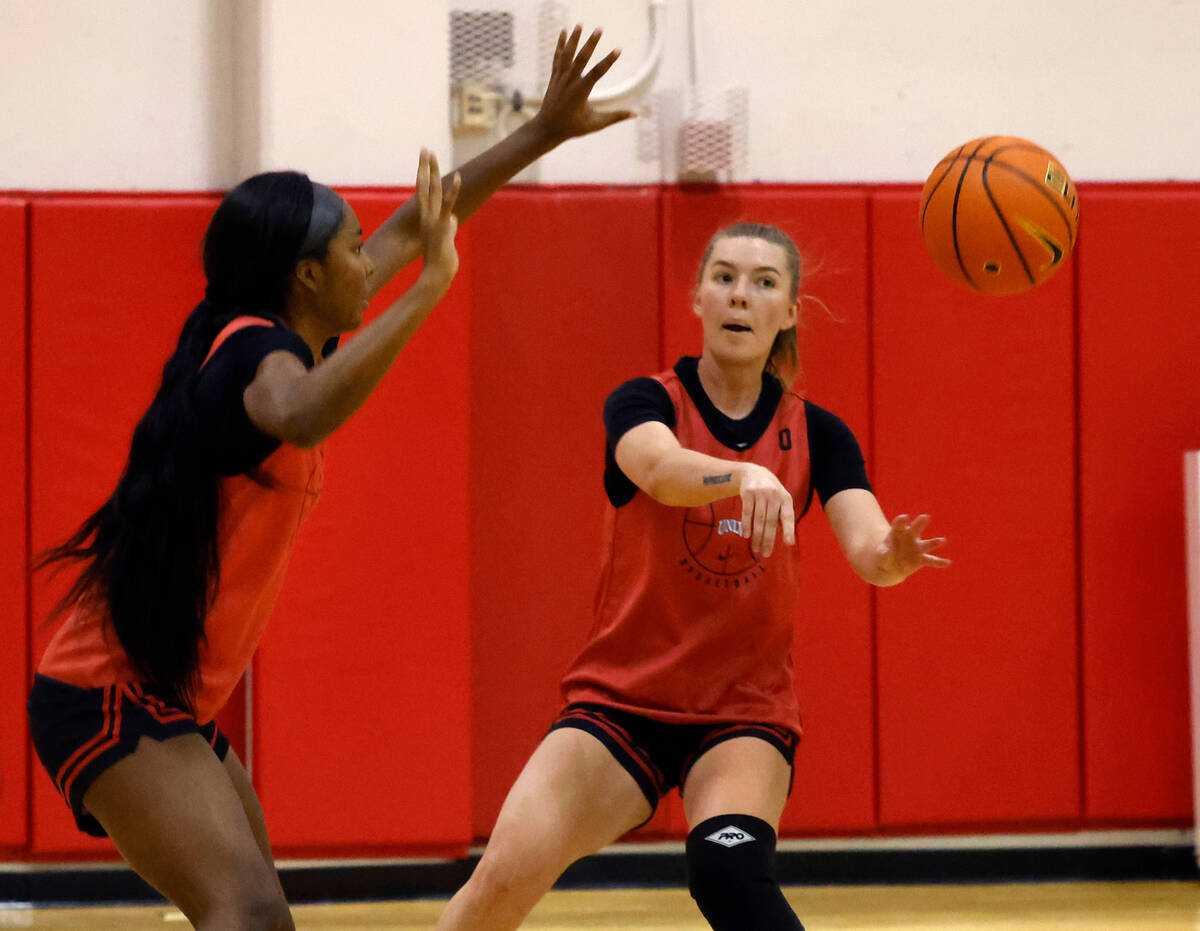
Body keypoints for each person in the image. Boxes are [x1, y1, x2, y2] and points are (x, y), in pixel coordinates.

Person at [26, 26, 631, 931]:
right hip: (106, 690)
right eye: (354, 250)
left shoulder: (288, 323)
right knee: (251, 914)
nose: (369, 260)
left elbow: (421, 218)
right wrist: (429, 291)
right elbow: (302, 410)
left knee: (259, 919)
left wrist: (542, 130)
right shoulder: (257, 357)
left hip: (162, 693)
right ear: (307, 276)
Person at [436, 222, 951, 931]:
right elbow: (658, 469)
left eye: (765, 282)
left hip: (742, 713)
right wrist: (740, 473)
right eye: (726, 277)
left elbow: (867, 546)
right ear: (698, 297)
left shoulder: (819, 434)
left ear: (790, 311)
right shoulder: (645, 402)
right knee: (499, 883)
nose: (743, 295)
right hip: (621, 703)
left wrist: (892, 557)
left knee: (728, 874)